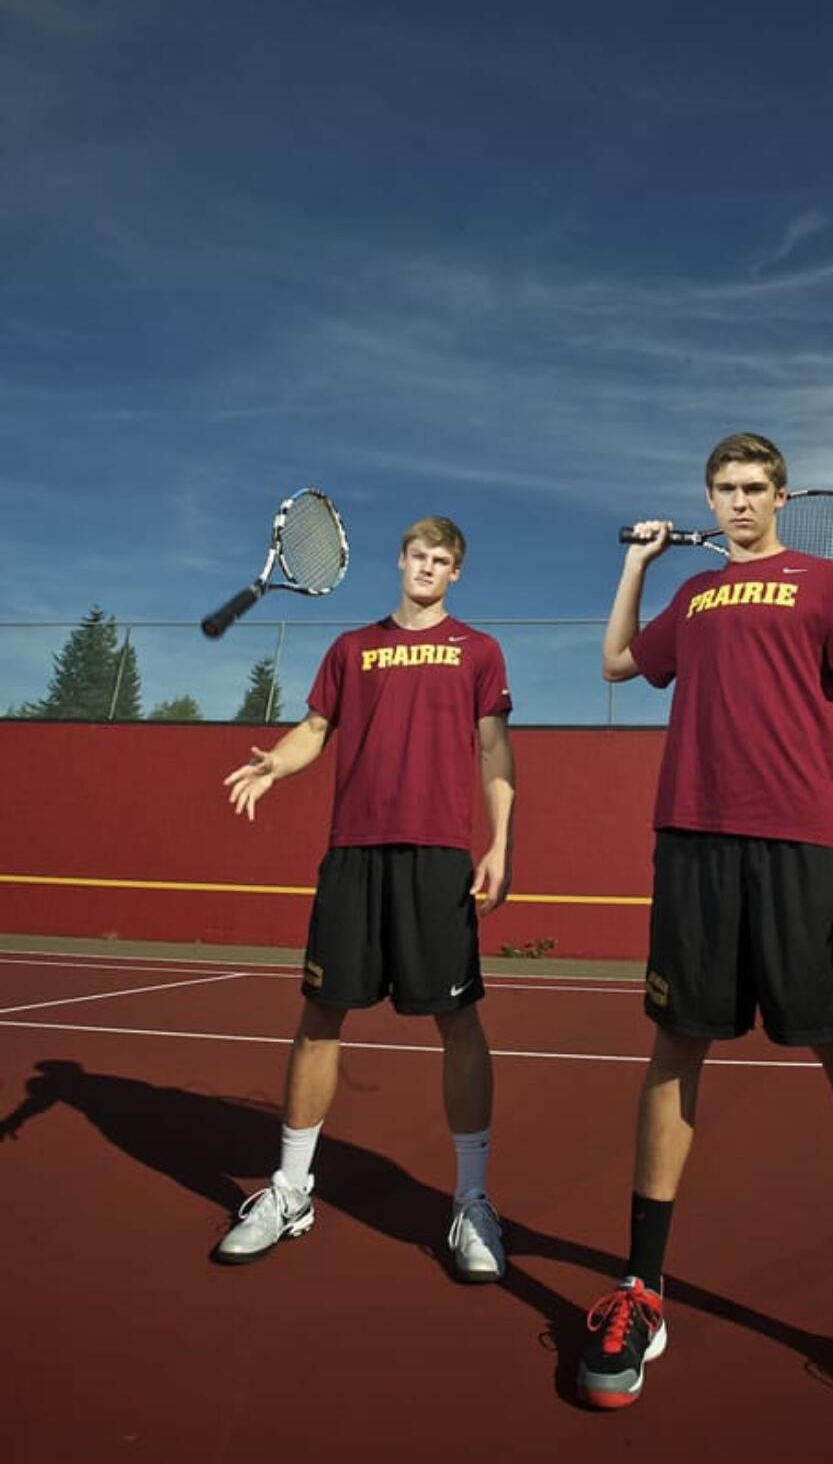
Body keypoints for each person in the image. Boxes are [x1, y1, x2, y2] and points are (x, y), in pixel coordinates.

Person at [577, 435, 833, 1454]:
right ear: (706, 495)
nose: (738, 501)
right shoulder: (696, 597)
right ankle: (640, 1291)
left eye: (754, 488)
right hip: (694, 846)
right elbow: (618, 661)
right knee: (674, 1052)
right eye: (723, 488)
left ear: (782, 497)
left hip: (805, 852)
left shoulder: (827, 580)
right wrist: (637, 564)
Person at [215, 515, 514, 1283]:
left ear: (456, 574)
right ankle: (290, 1190)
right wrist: (276, 764)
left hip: (438, 858)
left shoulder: (478, 649)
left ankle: (473, 1201)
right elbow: (317, 727)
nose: (427, 566)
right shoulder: (352, 648)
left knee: (459, 1021)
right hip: (353, 855)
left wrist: (502, 840)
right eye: (418, 554)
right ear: (400, 561)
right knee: (320, 1017)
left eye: (442, 558)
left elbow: (493, 747)